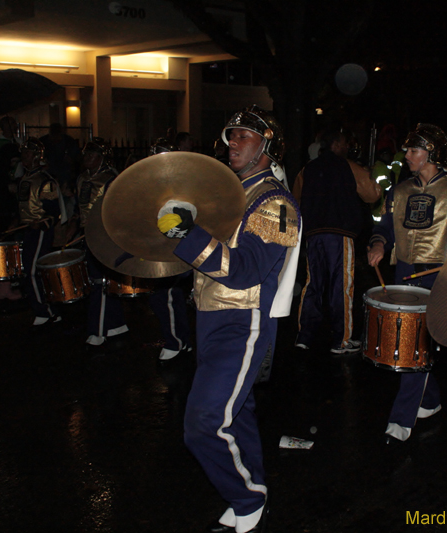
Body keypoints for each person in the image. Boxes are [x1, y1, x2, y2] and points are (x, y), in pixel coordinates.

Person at [157, 105, 300, 533]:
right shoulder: (229, 192)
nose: (231, 142)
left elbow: (245, 270)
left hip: (243, 321)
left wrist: (188, 234)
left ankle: (247, 498)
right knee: (236, 415)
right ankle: (251, 494)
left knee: (203, 422)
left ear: (267, 145)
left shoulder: (276, 202)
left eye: (243, 136)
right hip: (209, 318)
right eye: (230, 135)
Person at [367, 123, 447, 443]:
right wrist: (378, 243)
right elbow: (384, 228)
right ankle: (429, 401)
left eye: (413, 150)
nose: (407, 156)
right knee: (413, 342)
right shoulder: (398, 191)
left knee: (413, 345)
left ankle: (401, 420)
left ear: (432, 154)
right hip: (403, 273)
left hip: (436, 277)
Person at [293, 127, 380, 353]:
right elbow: (373, 194)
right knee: (341, 285)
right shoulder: (348, 166)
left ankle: (304, 336)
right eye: (344, 143)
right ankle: (342, 339)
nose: (347, 147)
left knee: (313, 283)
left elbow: (295, 199)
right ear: (337, 145)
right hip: (339, 233)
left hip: (313, 234)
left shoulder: (308, 169)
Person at [76, 138, 129, 349]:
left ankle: (96, 332)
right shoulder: (81, 178)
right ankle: (117, 325)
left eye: (92, 155)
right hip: (86, 235)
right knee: (97, 281)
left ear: (102, 158)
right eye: (86, 154)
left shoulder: (111, 179)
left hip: (104, 236)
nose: (87, 158)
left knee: (100, 282)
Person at [146, 137, 193, 361]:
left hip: (177, 244)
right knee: (166, 295)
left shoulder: (183, 185)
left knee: (165, 295)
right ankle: (182, 340)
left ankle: (176, 342)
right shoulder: (150, 183)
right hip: (159, 245)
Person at [17, 137, 64, 327]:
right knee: (28, 271)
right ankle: (41, 309)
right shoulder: (24, 179)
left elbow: (53, 212)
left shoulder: (45, 181)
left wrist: (41, 223)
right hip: (27, 230)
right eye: (23, 152)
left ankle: (49, 311)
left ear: (37, 156)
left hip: (40, 232)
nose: (24, 156)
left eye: (28, 153)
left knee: (33, 271)